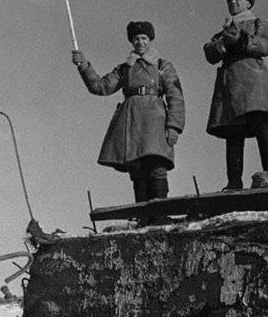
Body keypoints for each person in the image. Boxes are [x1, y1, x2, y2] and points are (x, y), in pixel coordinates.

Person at [72, 21, 185, 203]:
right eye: (136, 39)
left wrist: (174, 126)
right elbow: (101, 87)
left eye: (144, 38)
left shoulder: (163, 66)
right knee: (137, 169)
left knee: (157, 165)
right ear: (132, 42)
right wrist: (83, 66)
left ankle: (160, 212)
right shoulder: (125, 68)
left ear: (150, 40)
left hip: (155, 122)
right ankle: (142, 213)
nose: (140, 42)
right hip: (131, 122)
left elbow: (175, 96)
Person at [204, 0, 268, 190]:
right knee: (233, 133)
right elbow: (210, 53)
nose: (233, 2)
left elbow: (266, 45)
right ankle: (234, 182)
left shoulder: (258, 23)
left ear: (248, 3)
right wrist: (224, 42)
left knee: (263, 126)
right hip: (230, 88)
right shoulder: (222, 31)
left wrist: (241, 39)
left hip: (254, 83)